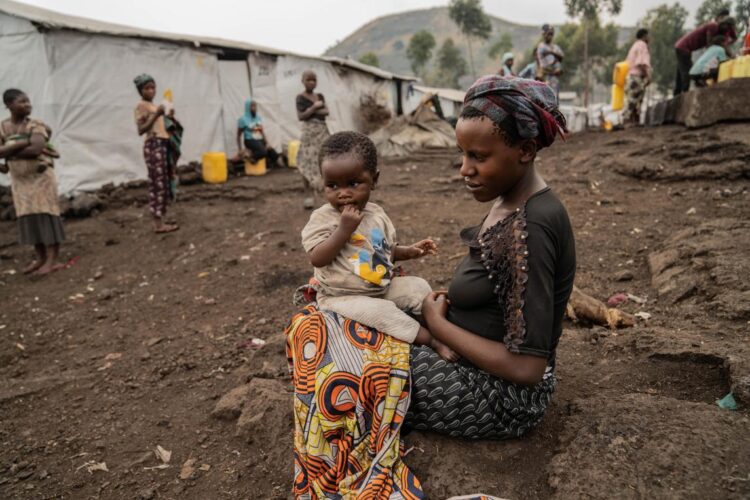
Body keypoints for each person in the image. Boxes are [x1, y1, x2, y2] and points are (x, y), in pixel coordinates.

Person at [285, 76, 574, 496]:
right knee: (328, 321)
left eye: (478, 156)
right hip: (472, 356)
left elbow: (527, 370)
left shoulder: (530, 228)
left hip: (501, 396)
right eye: (462, 154)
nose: (465, 169)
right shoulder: (512, 199)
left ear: (525, 151)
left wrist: (438, 327)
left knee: (334, 367)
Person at [302, 131, 456, 360]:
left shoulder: (376, 214)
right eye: (333, 186)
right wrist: (344, 230)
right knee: (384, 313)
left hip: (380, 288)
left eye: (354, 183)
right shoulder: (323, 218)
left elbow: (384, 250)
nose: (343, 193)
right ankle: (432, 341)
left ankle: (438, 326)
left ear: (374, 180)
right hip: (342, 297)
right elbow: (317, 257)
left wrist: (409, 251)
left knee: (420, 287)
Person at [0, 89, 66, 275]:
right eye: (22, 102)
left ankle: (52, 260)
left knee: (46, 213)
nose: (27, 105)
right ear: (9, 105)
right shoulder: (2, 127)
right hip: (20, 181)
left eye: (28, 101)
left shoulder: (35, 124)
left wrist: (9, 150)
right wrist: (21, 144)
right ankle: (41, 258)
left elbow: (36, 149)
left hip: (41, 177)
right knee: (29, 216)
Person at [133, 74, 179, 234]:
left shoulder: (153, 106)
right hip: (154, 145)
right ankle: (158, 224)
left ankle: (161, 219)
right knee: (157, 183)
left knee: (164, 183)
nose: (151, 90)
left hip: (163, 144)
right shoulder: (141, 106)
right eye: (147, 88)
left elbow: (163, 126)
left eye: (153, 87)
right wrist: (157, 115)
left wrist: (168, 116)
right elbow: (141, 130)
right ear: (140, 90)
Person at [674, 13, 737, 94]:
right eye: (728, 28)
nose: (728, 30)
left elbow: (734, 37)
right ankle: (684, 93)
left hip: (683, 47)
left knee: (681, 72)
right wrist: (727, 51)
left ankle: (677, 93)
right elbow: (709, 43)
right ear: (724, 24)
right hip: (683, 47)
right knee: (686, 73)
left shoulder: (723, 31)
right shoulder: (713, 26)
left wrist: (727, 45)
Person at [296, 70, 330, 209]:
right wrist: (315, 108)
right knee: (306, 160)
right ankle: (308, 194)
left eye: (314, 80)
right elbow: (301, 116)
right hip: (309, 132)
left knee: (325, 159)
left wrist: (311, 110)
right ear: (302, 81)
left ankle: (327, 191)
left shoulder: (320, 96)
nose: (311, 82)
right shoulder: (300, 98)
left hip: (322, 130)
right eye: (308, 80)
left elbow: (326, 112)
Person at [236, 98, 280, 169]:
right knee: (263, 152)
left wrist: (267, 143)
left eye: (255, 106)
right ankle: (249, 157)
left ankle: (270, 165)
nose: (254, 108)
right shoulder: (243, 120)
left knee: (274, 153)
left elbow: (261, 131)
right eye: (252, 106)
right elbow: (238, 135)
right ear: (248, 107)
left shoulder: (258, 118)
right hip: (250, 140)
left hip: (259, 139)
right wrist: (240, 149)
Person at [623, 28, 652, 126]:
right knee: (634, 100)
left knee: (633, 99)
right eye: (648, 36)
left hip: (629, 76)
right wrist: (648, 76)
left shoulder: (634, 46)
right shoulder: (642, 45)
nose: (649, 38)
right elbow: (641, 63)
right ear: (644, 36)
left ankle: (632, 121)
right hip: (636, 77)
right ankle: (630, 121)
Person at [536, 24, 564, 98]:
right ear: (543, 34)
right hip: (544, 76)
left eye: (551, 34)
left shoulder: (555, 47)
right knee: (544, 97)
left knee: (554, 97)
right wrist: (554, 55)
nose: (550, 36)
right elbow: (543, 62)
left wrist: (551, 53)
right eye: (548, 34)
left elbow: (561, 57)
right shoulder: (541, 46)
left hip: (554, 78)